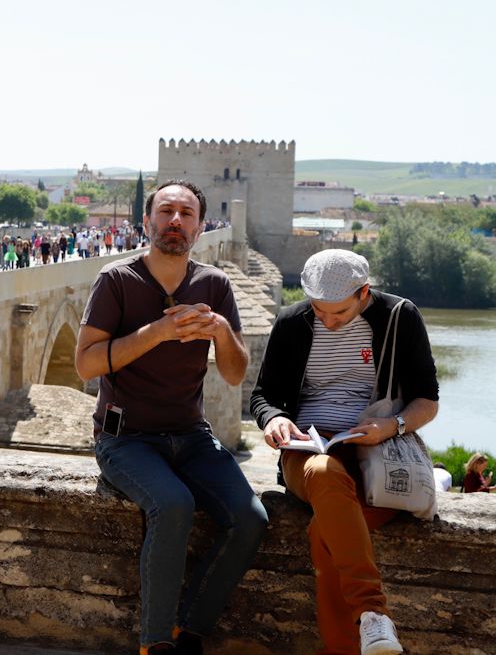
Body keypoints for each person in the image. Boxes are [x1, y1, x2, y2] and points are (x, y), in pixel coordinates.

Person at [75, 180, 266, 655]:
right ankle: (155, 643)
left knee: (250, 517)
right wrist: (158, 332)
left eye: (186, 213)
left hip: (191, 436)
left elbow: (235, 372)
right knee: (174, 505)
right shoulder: (116, 280)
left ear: (200, 228)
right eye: (166, 211)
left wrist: (221, 331)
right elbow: (86, 364)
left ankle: (188, 631)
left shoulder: (214, 286)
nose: (175, 220)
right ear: (147, 222)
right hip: (126, 440)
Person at [251, 249, 439, 655]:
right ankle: (373, 614)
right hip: (310, 449)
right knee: (323, 474)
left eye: (338, 313)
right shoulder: (291, 322)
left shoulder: (400, 318)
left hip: (379, 454)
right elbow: (264, 395)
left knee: (325, 532)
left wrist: (390, 426)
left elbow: (428, 401)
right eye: (319, 311)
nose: (328, 321)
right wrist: (274, 420)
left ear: (364, 293)